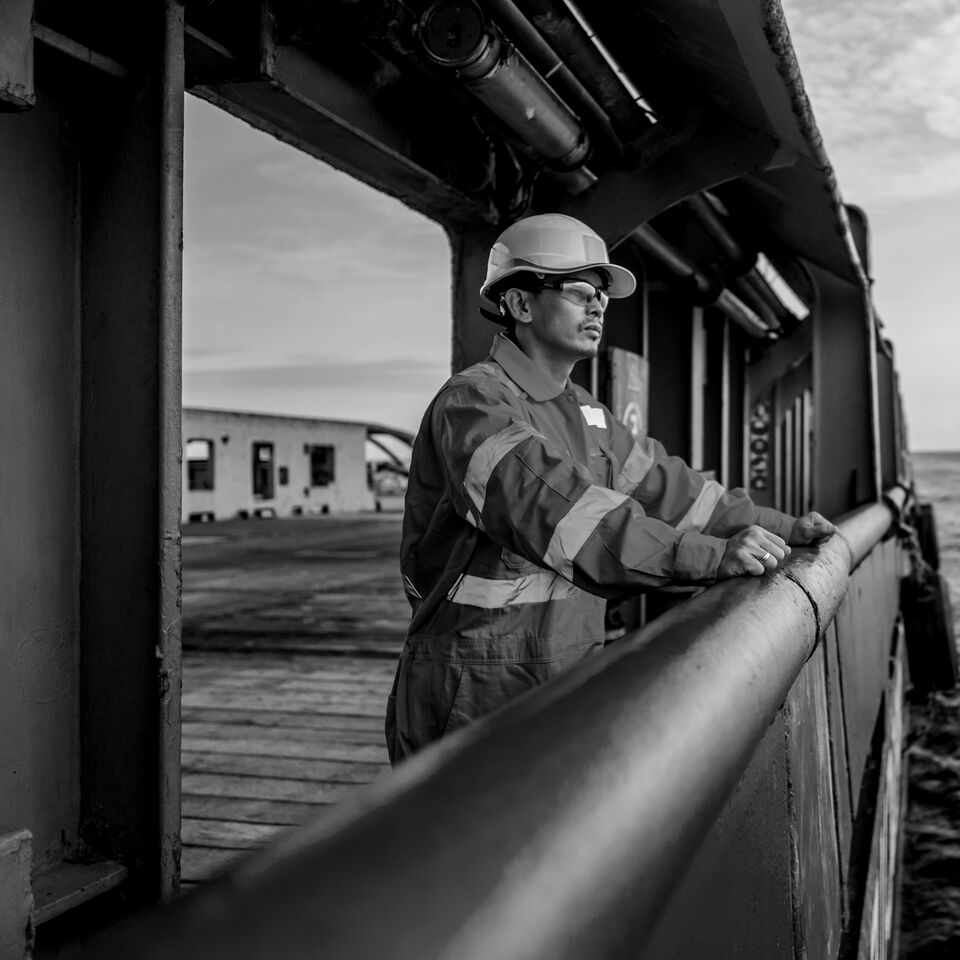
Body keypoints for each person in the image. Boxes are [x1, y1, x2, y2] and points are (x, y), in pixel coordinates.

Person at [385, 213, 835, 764]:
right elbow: (565, 520)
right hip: (475, 684)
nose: (599, 305)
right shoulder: (474, 405)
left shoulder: (587, 416)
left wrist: (785, 528)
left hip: (564, 673)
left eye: (601, 294)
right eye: (579, 291)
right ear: (521, 305)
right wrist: (713, 557)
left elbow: (681, 494)